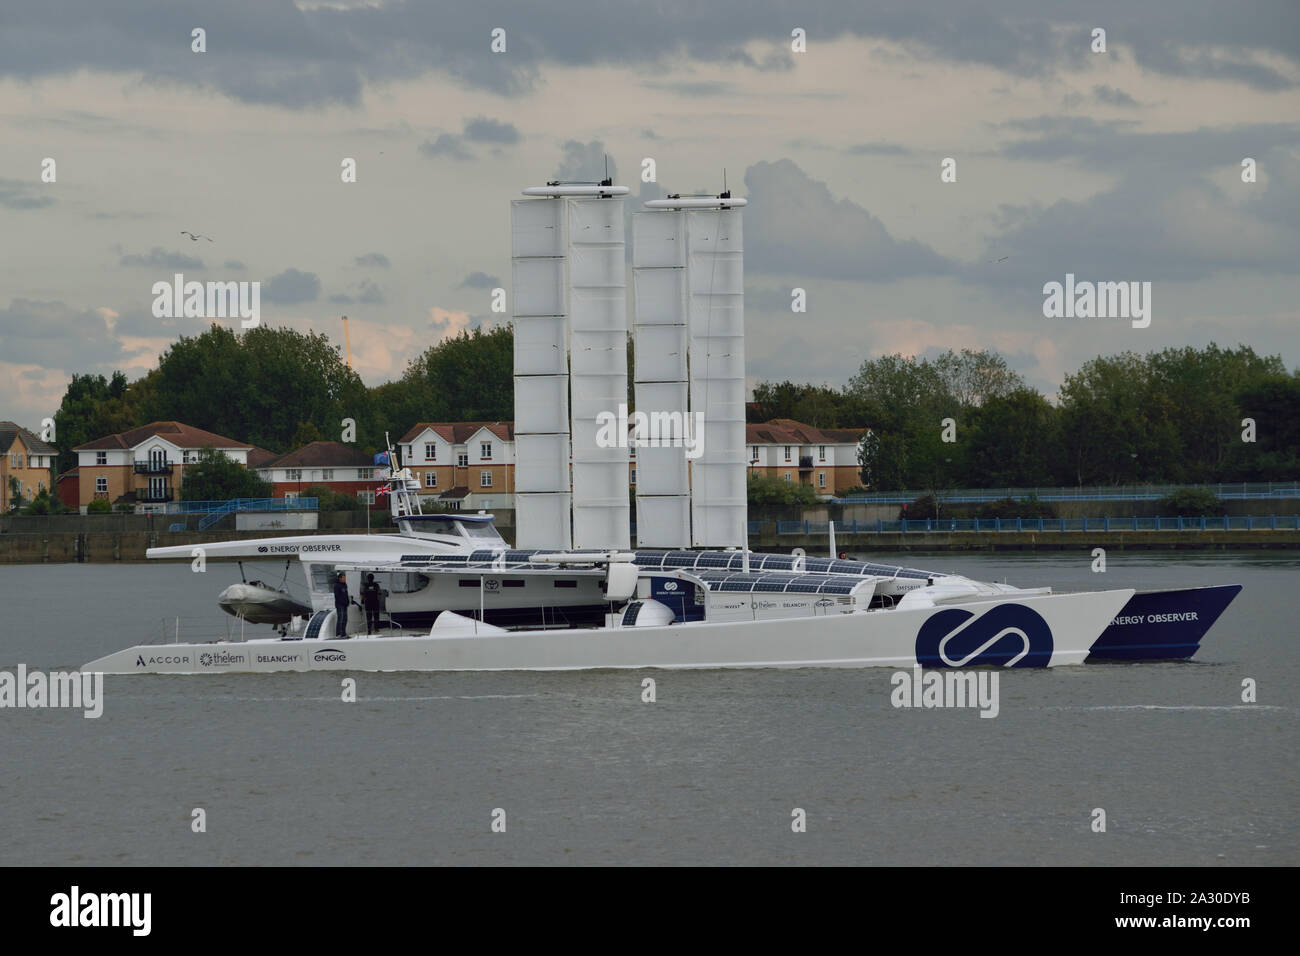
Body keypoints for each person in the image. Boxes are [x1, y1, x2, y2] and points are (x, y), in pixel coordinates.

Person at [332, 571, 350, 638]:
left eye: (345, 578)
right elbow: (337, 596)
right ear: (340, 578)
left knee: (345, 619)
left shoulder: (345, 585)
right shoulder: (337, 585)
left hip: (345, 604)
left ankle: (343, 633)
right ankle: (338, 634)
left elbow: (346, 594)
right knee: (340, 619)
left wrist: (347, 601)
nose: (344, 579)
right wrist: (342, 602)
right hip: (340, 605)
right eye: (343, 578)